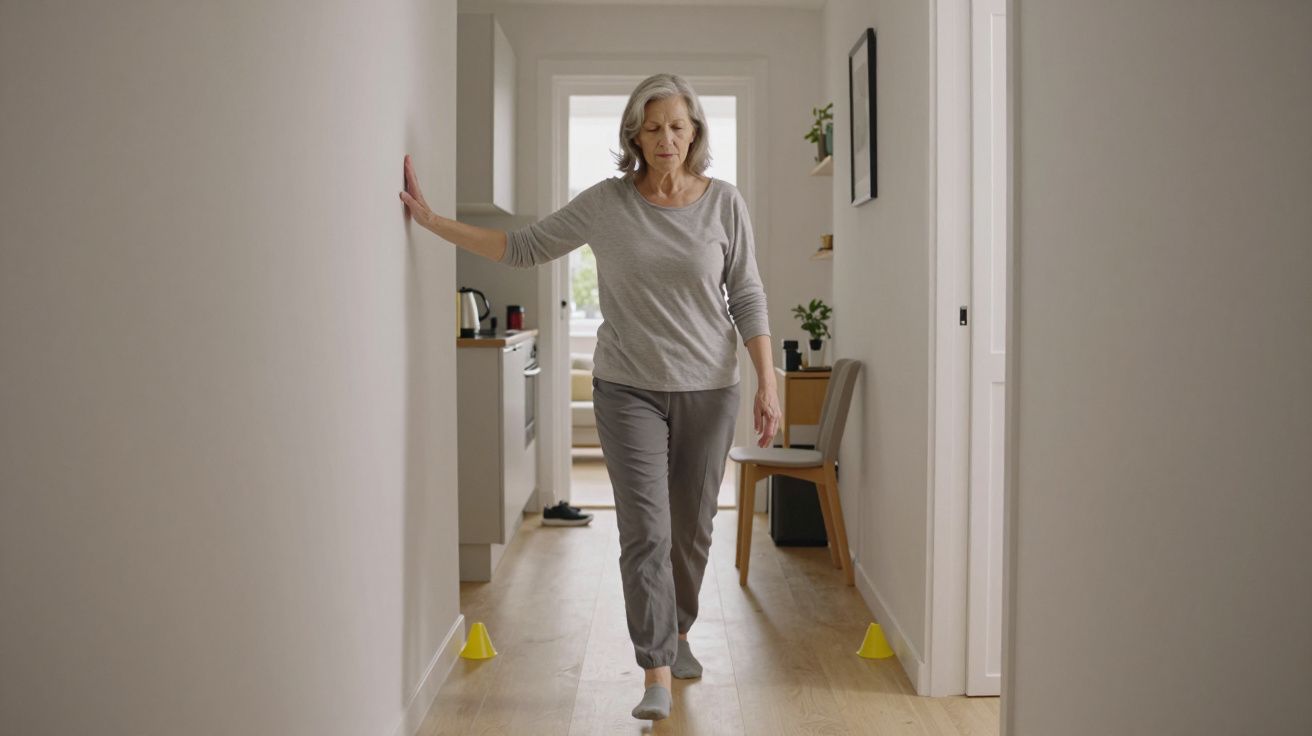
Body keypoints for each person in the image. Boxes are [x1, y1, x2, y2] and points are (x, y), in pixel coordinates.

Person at [399, 72, 781, 722]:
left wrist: (768, 382)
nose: (666, 138)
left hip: (710, 389)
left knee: (691, 530)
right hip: (628, 387)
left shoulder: (724, 203)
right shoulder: (607, 203)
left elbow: (744, 294)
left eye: (678, 126)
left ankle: (681, 630)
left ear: (695, 134)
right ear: (635, 133)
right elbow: (521, 247)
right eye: (653, 126)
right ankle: (655, 666)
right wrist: (434, 222)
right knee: (646, 532)